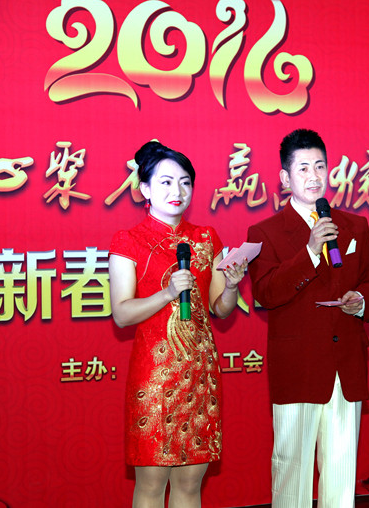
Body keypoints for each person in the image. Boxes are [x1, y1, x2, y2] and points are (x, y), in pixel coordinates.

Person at [246, 129, 369, 507]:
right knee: (291, 469)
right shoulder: (265, 232)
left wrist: (361, 300)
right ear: (285, 177)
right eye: (303, 168)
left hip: (346, 365)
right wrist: (309, 251)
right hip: (298, 369)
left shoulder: (354, 226)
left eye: (320, 166)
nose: (314, 176)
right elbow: (266, 293)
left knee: (341, 471)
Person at [109, 141, 248, 508]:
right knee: (152, 483)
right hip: (155, 374)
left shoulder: (206, 238)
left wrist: (231, 285)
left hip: (199, 372)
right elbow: (121, 313)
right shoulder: (128, 241)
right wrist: (168, 293)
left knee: (190, 483)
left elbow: (221, 309)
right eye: (166, 182)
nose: (178, 191)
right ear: (145, 189)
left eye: (186, 183)